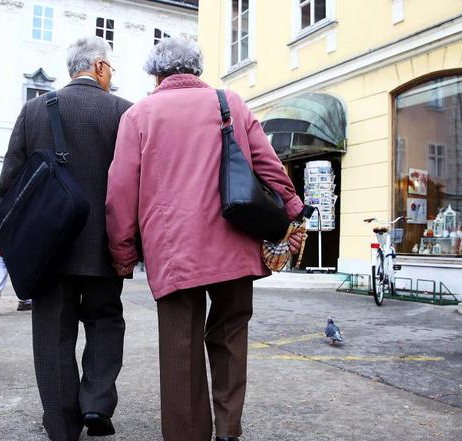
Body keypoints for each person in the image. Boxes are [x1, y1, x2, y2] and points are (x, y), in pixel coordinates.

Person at [105, 38, 305, 441]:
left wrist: (122, 251)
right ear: (195, 68)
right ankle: (229, 430)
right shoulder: (228, 102)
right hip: (235, 240)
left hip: (173, 249)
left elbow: (120, 191)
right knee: (231, 333)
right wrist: (293, 209)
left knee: (181, 348)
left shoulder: (139, 115)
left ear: (156, 72)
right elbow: (269, 165)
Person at [0, 36, 132, 441]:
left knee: (53, 335)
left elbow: (11, 182)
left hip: (48, 249)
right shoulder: (124, 113)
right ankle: (96, 403)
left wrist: (9, 235)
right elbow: (134, 184)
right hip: (105, 246)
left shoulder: (34, 110)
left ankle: (61, 424)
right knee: (106, 321)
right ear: (101, 67)